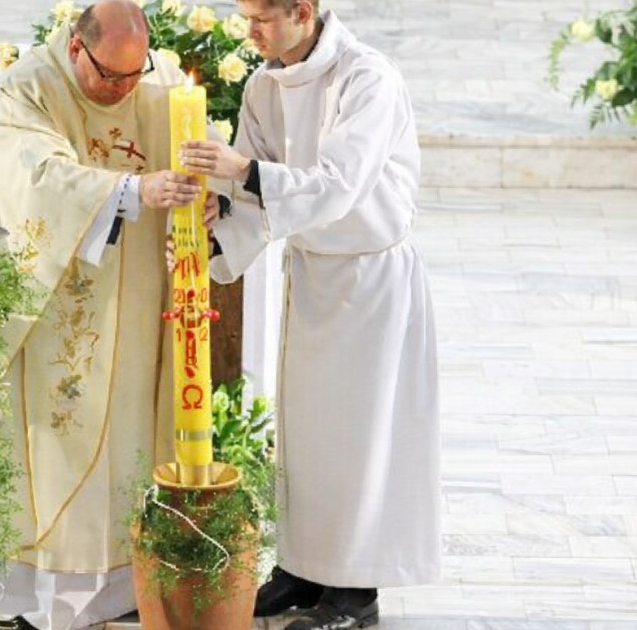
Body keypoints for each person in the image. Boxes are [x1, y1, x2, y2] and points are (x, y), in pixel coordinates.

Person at [0, 2, 207, 629]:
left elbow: (201, 156)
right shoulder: (23, 90)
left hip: (135, 303)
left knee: (130, 435)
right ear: (77, 48)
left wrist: (207, 198)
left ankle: (127, 582)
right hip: (50, 310)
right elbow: (35, 178)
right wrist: (134, 191)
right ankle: (37, 592)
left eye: (134, 76)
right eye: (112, 77)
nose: (123, 90)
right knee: (53, 445)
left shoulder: (157, 80)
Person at [179, 0, 441, 628]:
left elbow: (337, 184)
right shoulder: (264, 85)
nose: (249, 31)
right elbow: (252, 194)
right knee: (307, 436)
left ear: (302, 11)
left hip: (371, 279)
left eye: (261, 18)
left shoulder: (367, 78)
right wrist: (211, 235)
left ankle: (354, 592)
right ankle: (301, 570)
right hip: (313, 276)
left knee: (359, 438)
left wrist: (244, 174)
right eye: (245, 17)